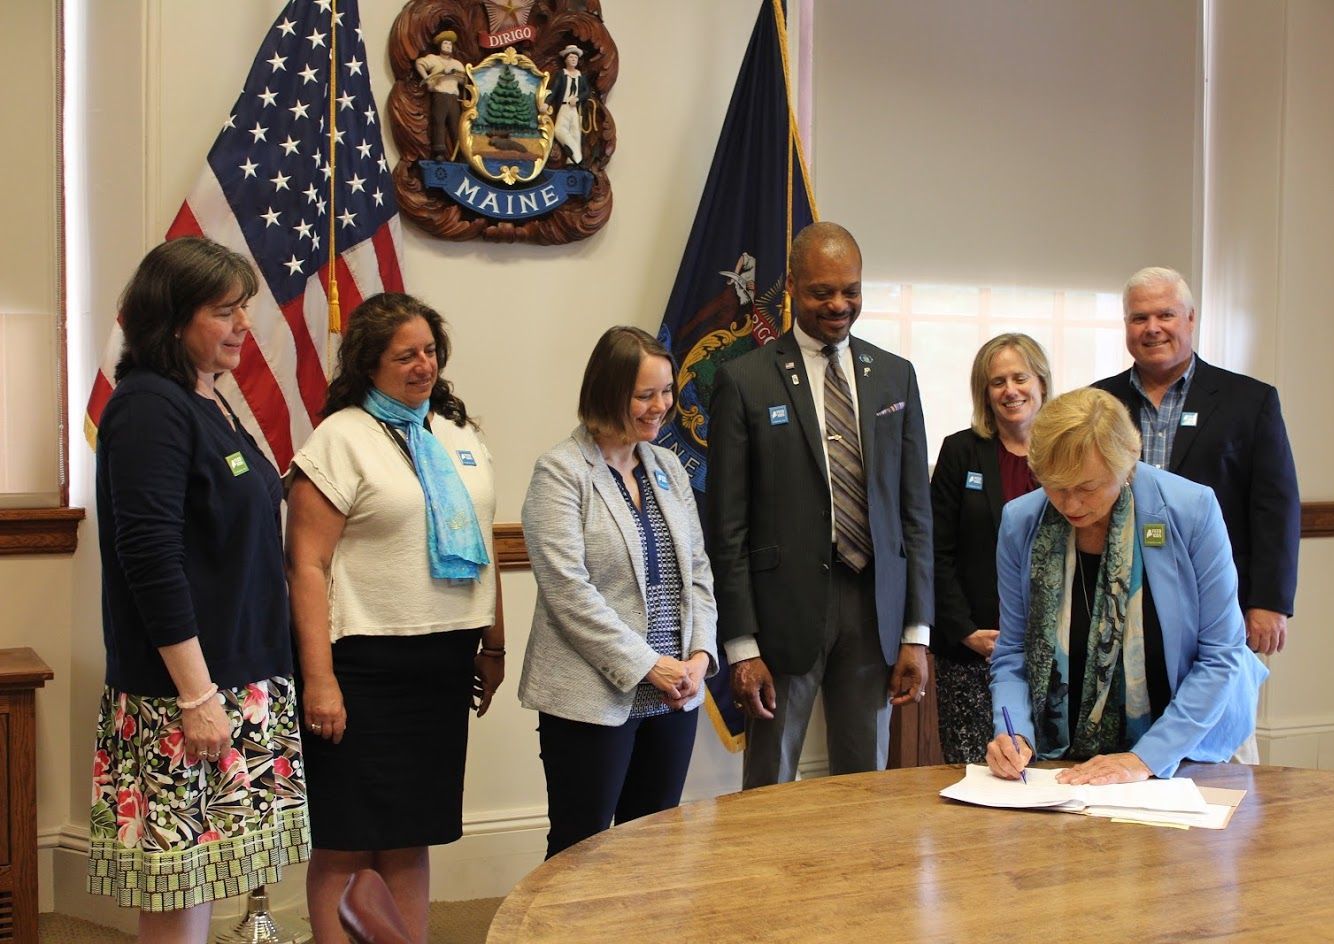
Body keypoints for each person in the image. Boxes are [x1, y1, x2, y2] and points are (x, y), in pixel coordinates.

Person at [88, 237, 308, 941]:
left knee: (207, 881)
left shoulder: (207, 400)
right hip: (189, 694)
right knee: (180, 890)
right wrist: (197, 695)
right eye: (225, 310)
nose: (244, 323)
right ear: (174, 318)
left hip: (240, 680)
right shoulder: (149, 406)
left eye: (242, 307)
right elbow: (149, 556)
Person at [285, 293, 503, 941]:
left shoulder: (459, 434)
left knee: (412, 835)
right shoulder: (340, 439)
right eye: (404, 355)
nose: (423, 366)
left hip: (441, 668)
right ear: (368, 363)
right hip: (361, 670)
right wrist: (319, 681)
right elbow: (307, 568)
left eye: (430, 351)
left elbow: (486, 548)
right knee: (348, 841)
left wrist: (492, 648)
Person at [705, 221, 933, 788]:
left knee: (864, 785)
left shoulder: (895, 378)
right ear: (792, 290)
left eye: (850, 290)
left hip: (873, 607)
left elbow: (915, 515)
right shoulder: (744, 380)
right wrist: (741, 646)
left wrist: (916, 633)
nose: (839, 304)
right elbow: (727, 526)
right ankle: (764, 880)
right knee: (771, 781)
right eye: (821, 291)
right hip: (782, 615)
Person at [986, 388, 1268, 785]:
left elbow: (1221, 656)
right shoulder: (1022, 522)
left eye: (1086, 487)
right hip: (1070, 760)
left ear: (1126, 465)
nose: (1070, 504)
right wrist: (1013, 732)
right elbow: (1013, 651)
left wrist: (1143, 759)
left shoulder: (1191, 511)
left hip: (1194, 749)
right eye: (1055, 485)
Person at [519, 326, 717, 858]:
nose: (662, 407)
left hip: (675, 693)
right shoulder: (561, 471)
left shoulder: (668, 466)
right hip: (591, 696)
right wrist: (648, 663)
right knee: (580, 852)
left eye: (668, 391)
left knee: (651, 848)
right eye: (645, 395)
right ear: (608, 392)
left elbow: (696, 570)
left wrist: (698, 655)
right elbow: (568, 592)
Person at [1093, 267, 1300, 658]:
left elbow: (1276, 507)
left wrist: (1269, 601)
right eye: (1139, 318)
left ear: (1190, 318)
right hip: (1118, 597)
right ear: (1126, 326)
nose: (1152, 328)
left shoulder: (1250, 402)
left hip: (1216, 596)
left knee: (1214, 713)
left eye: (1165, 315)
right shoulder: (1099, 403)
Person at [930, 334, 1051, 763]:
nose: (1010, 390)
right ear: (984, 392)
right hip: (972, 648)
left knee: (1044, 775)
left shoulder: (1065, 453)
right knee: (974, 773)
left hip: (1051, 653)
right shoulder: (961, 451)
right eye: (997, 381)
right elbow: (935, 551)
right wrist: (964, 630)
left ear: (1041, 382)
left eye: (1020, 377)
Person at [416, 29, 468, 160]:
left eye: (450, 45)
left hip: (453, 97)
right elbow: (419, 63)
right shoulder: (433, 59)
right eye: (445, 44)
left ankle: (459, 153)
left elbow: (463, 80)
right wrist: (428, 79)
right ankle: (439, 152)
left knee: (455, 125)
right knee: (439, 122)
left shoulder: (457, 64)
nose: (448, 47)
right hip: (440, 95)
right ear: (440, 46)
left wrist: (455, 74)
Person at [542, 44, 589, 165]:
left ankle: (571, 161)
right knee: (558, 130)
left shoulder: (581, 76)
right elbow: (555, 90)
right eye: (571, 57)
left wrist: (578, 98)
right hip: (564, 107)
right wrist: (547, 103)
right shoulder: (562, 74)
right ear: (565, 59)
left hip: (576, 109)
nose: (573, 60)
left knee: (576, 133)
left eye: (575, 58)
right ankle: (577, 157)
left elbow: (587, 91)